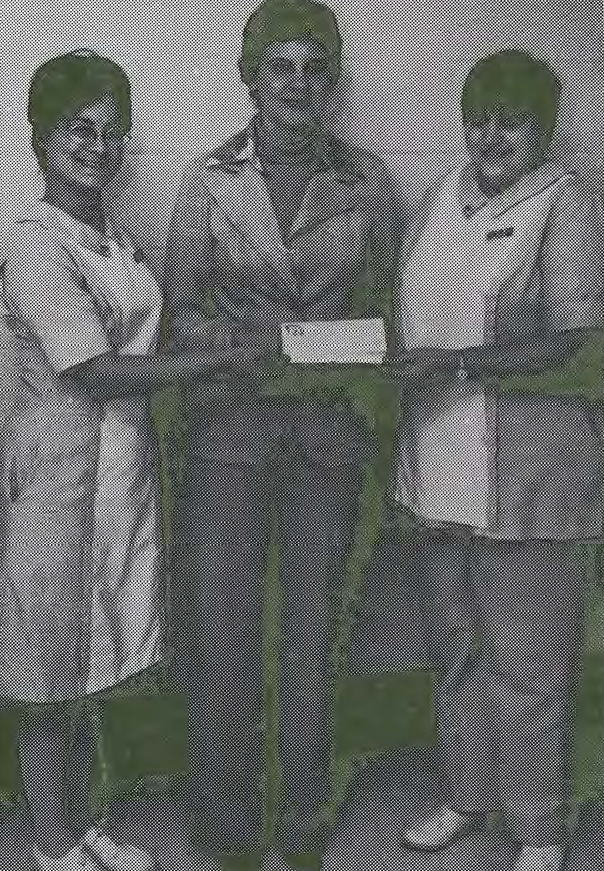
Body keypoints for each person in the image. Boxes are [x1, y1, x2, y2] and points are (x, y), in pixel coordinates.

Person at [0, 50, 267, 871]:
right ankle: (52, 847)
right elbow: (95, 369)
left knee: (92, 665)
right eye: (80, 128)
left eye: (113, 131)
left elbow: (155, 334)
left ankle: (83, 828)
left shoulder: (114, 239)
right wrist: (218, 363)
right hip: (57, 482)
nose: (99, 145)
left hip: (120, 479)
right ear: (41, 137)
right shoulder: (35, 243)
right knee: (48, 674)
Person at [162, 0, 398, 865]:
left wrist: (346, 356)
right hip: (230, 435)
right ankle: (226, 827)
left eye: (314, 68)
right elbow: (182, 316)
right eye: (280, 67)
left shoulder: (369, 180)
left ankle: (301, 819)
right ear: (251, 78)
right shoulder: (207, 179)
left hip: (329, 440)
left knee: (314, 637)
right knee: (222, 634)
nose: (298, 84)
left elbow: (385, 313)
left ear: (331, 83)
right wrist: (248, 347)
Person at [392, 49, 603, 871]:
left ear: (543, 128)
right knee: (458, 649)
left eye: (510, 119)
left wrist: (456, 364)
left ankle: (541, 829)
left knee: (531, 663)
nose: (490, 135)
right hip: (439, 466)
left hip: (531, 475)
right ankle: (467, 796)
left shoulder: (567, 201)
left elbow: (580, 349)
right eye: (477, 116)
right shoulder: (441, 197)